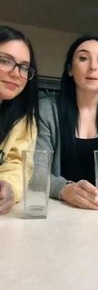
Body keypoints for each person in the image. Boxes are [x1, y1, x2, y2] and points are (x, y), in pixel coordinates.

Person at [36, 35, 98, 209]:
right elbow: (37, 171)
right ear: (70, 69)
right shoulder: (47, 110)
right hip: (60, 210)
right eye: (83, 58)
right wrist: (64, 189)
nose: (93, 67)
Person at [0, 25, 39, 214]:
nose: (16, 73)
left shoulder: (23, 119)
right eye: (5, 61)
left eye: (24, 67)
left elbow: (18, 163)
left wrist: (9, 188)